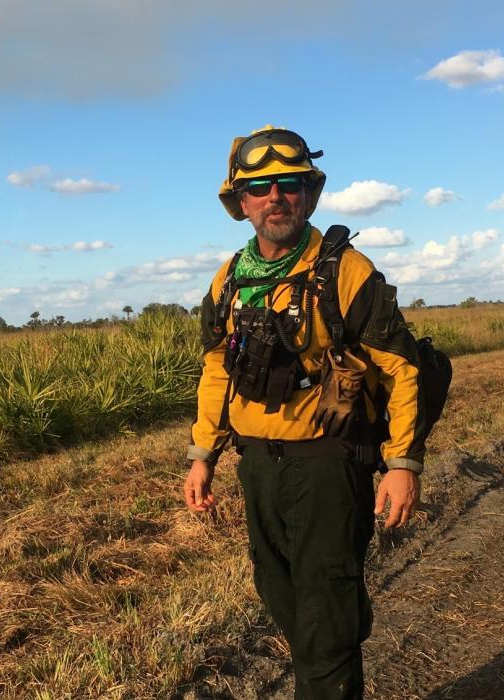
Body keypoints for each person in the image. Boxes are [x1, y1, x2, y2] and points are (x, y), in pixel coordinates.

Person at [183, 125, 427, 699]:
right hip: (258, 469)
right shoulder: (228, 280)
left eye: (289, 184)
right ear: (240, 203)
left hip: (327, 466)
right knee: (283, 596)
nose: (276, 197)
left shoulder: (346, 271)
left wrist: (402, 464)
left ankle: (330, 671)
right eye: (261, 187)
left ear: (310, 194)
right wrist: (203, 455)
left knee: (324, 613)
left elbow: (401, 368)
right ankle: (333, 663)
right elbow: (217, 369)